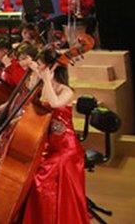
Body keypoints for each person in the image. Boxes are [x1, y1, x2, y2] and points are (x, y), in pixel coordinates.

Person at [20, 48, 89, 224]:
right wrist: (37, 73)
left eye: (42, 63)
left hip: (66, 149)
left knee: (40, 180)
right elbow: (34, 99)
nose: (40, 66)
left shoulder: (67, 91)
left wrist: (47, 80)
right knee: (31, 178)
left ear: (52, 68)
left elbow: (54, 103)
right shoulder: (45, 85)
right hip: (49, 146)